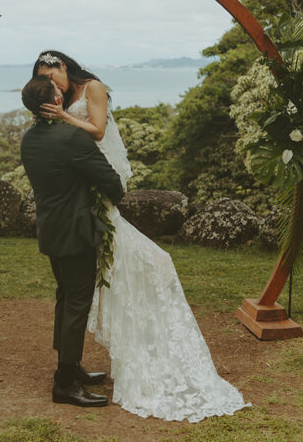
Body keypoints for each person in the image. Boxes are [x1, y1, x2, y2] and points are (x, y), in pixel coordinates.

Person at [32, 50, 250, 422]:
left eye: (54, 76)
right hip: (83, 203)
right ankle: (67, 374)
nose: (52, 85)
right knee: (81, 291)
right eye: (44, 81)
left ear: (64, 68)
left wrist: (66, 118)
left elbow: (98, 132)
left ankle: (69, 367)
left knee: (76, 289)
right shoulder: (57, 117)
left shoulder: (87, 93)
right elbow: (81, 160)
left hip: (80, 200)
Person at [20, 75, 126, 408]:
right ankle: (65, 383)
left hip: (51, 230)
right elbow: (109, 178)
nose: (62, 94)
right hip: (76, 232)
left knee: (65, 296)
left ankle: (70, 367)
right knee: (77, 301)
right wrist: (115, 196)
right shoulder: (71, 138)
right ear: (52, 102)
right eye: (58, 93)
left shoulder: (28, 140)